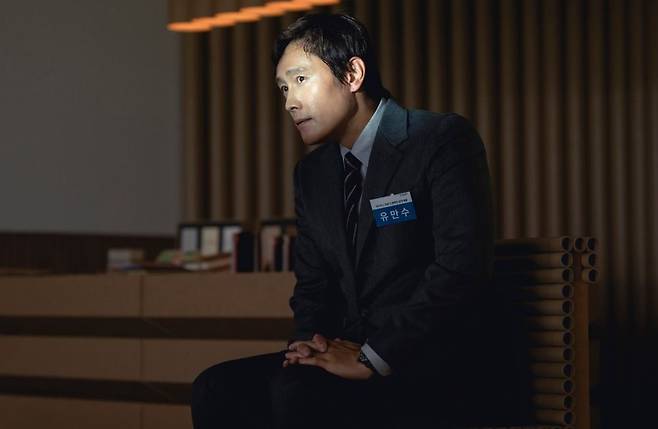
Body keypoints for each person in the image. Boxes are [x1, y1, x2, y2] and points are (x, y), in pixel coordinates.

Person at [191, 13, 512, 429]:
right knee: (216, 387)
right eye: (283, 88)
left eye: (300, 79)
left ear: (352, 74)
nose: (289, 101)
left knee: (296, 394)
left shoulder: (439, 139)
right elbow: (313, 286)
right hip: (346, 353)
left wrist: (373, 356)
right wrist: (307, 345)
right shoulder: (312, 174)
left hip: (430, 360)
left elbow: (460, 268)